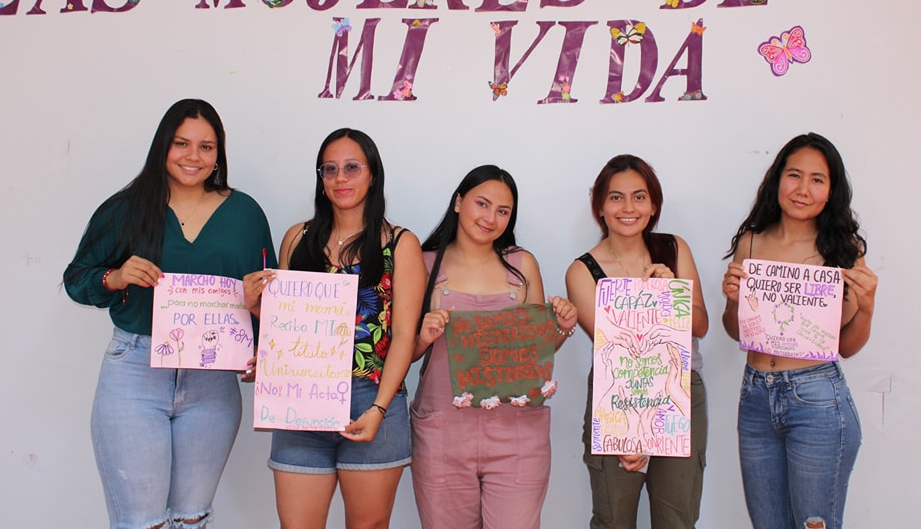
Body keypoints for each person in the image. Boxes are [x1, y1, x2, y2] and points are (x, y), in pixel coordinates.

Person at [63, 98, 276, 529]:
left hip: (213, 383)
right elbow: (77, 279)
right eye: (182, 143)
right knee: (141, 522)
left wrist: (263, 341)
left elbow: (267, 297)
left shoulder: (245, 213)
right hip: (135, 375)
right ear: (163, 145)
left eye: (206, 146)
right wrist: (116, 276)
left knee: (192, 518)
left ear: (219, 154)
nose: (193, 157)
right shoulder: (125, 209)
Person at [243, 127, 424, 529]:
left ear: (372, 174)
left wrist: (378, 408)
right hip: (301, 403)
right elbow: (286, 327)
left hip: (371, 398)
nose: (340, 178)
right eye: (330, 169)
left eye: (352, 168)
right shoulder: (298, 238)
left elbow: (405, 337)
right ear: (321, 178)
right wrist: (258, 312)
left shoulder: (400, 244)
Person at [721, 133, 877, 529]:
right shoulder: (751, 243)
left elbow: (847, 347)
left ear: (831, 191)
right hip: (755, 397)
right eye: (794, 175)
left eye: (817, 179)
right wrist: (735, 300)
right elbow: (733, 330)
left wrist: (868, 307)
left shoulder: (843, 250)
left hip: (817, 399)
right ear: (777, 180)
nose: (803, 189)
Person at [410, 165, 579, 529]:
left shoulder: (522, 265)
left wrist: (561, 329)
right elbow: (400, 354)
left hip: (517, 436)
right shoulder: (422, 264)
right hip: (443, 434)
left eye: (503, 211)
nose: (491, 218)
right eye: (482, 204)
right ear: (458, 202)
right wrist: (423, 337)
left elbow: (534, 352)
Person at [564, 154, 709, 529]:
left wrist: (669, 293)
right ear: (599, 206)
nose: (628, 208)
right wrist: (633, 429)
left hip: (680, 392)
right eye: (616, 197)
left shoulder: (674, 249)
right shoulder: (582, 271)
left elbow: (701, 325)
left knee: (677, 520)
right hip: (620, 394)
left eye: (639, 197)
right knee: (613, 520)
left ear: (654, 204)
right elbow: (614, 348)